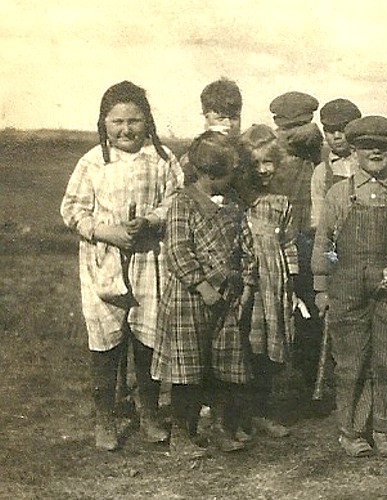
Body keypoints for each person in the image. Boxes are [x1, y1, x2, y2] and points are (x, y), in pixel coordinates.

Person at [60, 81, 181, 451]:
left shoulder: (162, 159)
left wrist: (150, 222)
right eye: (117, 122)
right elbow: (71, 209)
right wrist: (106, 231)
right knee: (106, 342)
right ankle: (105, 417)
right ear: (104, 122)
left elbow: (176, 200)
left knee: (147, 339)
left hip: (149, 259)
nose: (126, 129)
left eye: (134, 120)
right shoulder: (93, 161)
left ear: (147, 122)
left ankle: (148, 412)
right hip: (103, 262)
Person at [312, 116, 387, 458]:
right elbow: (324, 243)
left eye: (384, 147)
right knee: (351, 361)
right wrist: (321, 287)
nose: (375, 151)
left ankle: (384, 428)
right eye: (366, 146)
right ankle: (351, 430)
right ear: (355, 151)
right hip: (347, 286)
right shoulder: (339, 194)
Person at [151, 131, 256, 458]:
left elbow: (246, 248)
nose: (231, 181)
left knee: (225, 367)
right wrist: (203, 286)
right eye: (227, 175)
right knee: (188, 372)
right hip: (189, 301)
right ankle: (182, 435)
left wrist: (247, 285)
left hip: (226, 302)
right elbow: (178, 252)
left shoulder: (235, 207)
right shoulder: (183, 204)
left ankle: (221, 429)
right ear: (208, 174)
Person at [236, 124, 296, 440]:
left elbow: (287, 242)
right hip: (248, 282)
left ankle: (262, 410)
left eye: (268, 162)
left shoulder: (281, 202)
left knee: (269, 347)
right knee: (245, 344)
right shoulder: (240, 200)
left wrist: (293, 280)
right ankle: (239, 414)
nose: (263, 170)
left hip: (273, 284)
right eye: (255, 164)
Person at [269, 91, 325, 408]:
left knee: (304, 312)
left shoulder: (313, 150)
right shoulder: (278, 154)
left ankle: (305, 384)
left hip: (303, 239)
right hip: (288, 238)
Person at [310, 98, 362, 230]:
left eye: (342, 129)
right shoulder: (322, 171)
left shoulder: (366, 163)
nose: (337, 136)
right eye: (331, 131)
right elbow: (318, 216)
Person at [181, 78, 243, 183]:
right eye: (221, 119)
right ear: (207, 118)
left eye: (234, 118)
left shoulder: (247, 153)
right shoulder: (194, 158)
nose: (228, 125)